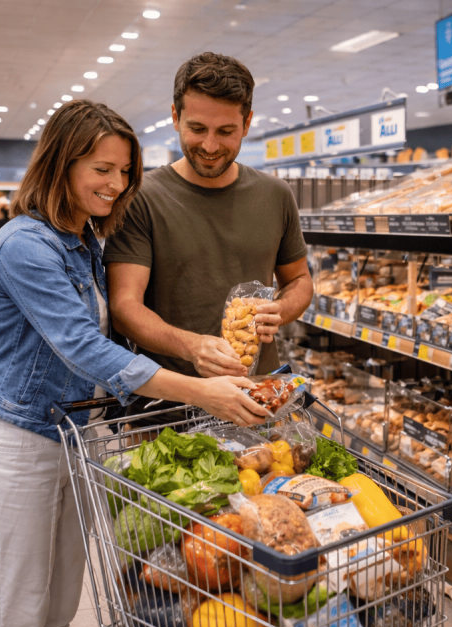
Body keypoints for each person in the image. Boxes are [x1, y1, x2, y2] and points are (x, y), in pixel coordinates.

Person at [0, 99, 267, 627]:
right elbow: (82, 347)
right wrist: (202, 391)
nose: (116, 183)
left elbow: (109, 352)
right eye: (101, 168)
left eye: (124, 170)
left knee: (57, 612)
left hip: (73, 441)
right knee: (15, 618)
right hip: (14, 445)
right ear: (61, 163)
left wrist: (190, 378)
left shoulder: (84, 245)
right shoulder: (24, 244)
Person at [105, 53, 312, 395]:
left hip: (255, 395)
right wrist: (192, 346)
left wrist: (281, 310)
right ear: (175, 117)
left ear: (247, 124)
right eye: (197, 129)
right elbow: (125, 307)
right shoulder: (141, 197)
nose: (210, 145)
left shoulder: (276, 194)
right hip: (168, 407)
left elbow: (300, 280)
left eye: (226, 131)